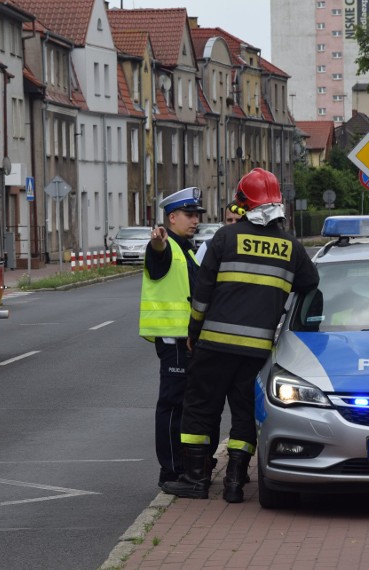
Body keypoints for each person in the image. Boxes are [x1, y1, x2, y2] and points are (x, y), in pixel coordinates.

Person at [161, 168, 319, 503]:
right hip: (258, 349)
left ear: (244, 203)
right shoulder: (291, 246)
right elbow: (310, 284)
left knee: (199, 409)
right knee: (246, 413)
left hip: (215, 344)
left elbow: (202, 293)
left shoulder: (224, 238)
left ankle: (195, 479)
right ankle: (234, 482)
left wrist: (194, 331)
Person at [139, 186, 218, 490]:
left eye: (197, 214)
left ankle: (188, 464)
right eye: (189, 214)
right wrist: (157, 242)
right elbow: (156, 254)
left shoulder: (186, 248)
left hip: (187, 342)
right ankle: (171, 469)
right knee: (173, 407)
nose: (195, 219)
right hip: (173, 342)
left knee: (188, 406)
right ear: (172, 217)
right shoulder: (167, 246)